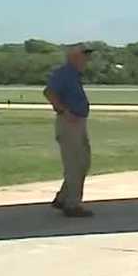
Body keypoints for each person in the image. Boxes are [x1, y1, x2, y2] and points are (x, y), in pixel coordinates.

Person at [42, 43, 94, 218]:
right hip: (69, 123)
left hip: (78, 122)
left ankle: (63, 198)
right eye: (83, 55)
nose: (87, 59)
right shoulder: (64, 73)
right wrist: (64, 111)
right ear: (72, 57)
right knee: (75, 164)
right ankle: (72, 204)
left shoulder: (74, 75)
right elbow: (49, 92)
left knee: (83, 162)